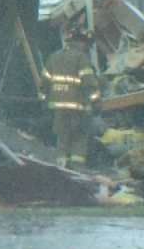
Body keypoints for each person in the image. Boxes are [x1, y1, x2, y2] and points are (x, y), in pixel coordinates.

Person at [41, 30, 101, 166]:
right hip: (78, 108)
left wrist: (44, 101)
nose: (88, 48)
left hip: (58, 108)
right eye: (87, 45)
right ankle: (77, 169)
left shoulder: (53, 57)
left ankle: (61, 168)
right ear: (81, 43)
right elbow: (90, 84)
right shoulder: (82, 59)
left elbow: (44, 83)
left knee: (62, 137)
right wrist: (96, 103)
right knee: (79, 138)